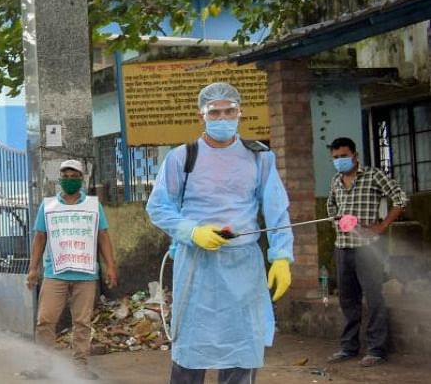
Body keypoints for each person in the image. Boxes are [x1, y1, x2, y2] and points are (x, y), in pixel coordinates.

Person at [146, 82, 293, 384]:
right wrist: (192, 231)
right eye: (215, 113)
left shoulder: (259, 157)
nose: (223, 118)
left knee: (241, 350)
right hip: (196, 265)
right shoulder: (182, 158)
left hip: (243, 266)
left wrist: (281, 256)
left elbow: (277, 210)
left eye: (230, 111)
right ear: (201, 116)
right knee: (190, 350)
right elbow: (158, 208)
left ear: (241, 113)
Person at [24, 160, 116, 380]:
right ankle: (43, 365)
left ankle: (80, 367)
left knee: (82, 323)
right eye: (65, 176)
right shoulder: (48, 206)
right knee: (45, 320)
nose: (69, 179)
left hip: (85, 274)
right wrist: (33, 269)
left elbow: (103, 236)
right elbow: (39, 238)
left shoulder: (94, 206)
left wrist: (110, 266)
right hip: (55, 273)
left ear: (81, 179)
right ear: (60, 180)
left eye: (74, 176)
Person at [325, 136, 407, 368]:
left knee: (373, 297)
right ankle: (349, 347)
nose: (339, 161)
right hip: (343, 246)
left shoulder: (373, 175)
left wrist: (381, 226)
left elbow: (401, 198)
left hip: (367, 249)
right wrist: (337, 222)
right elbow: (331, 206)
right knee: (347, 299)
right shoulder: (336, 181)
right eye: (335, 158)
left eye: (343, 156)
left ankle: (376, 349)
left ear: (355, 155)